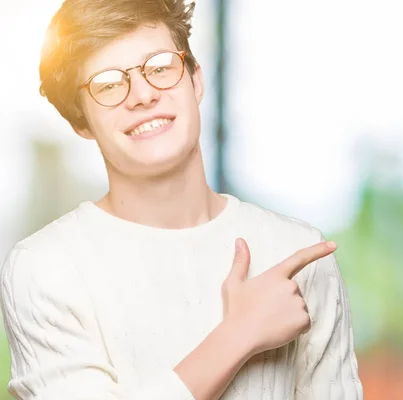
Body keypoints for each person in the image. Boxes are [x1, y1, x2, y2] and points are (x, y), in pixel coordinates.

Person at [0, 0, 363, 399]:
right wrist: (237, 336)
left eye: (159, 67)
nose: (141, 94)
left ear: (196, 80)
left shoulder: (298, 254)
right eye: (107, 84)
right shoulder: (45, 268)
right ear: (80, 123)